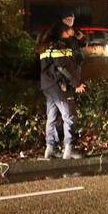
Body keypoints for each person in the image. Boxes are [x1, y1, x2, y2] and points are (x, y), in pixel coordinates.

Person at [38, 22, 87, 159]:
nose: (72, 31)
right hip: (58, 85)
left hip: (47, 85)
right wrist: (76, 83)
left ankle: (50, 149)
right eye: (69, 30)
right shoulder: (57, 46)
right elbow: (62, 67)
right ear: (63, 32)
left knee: (52, 117)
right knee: (69, 115)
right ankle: (69, 149)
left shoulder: (47, 45)